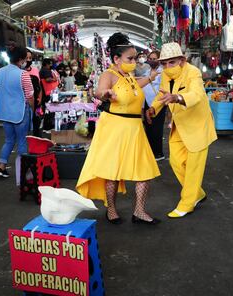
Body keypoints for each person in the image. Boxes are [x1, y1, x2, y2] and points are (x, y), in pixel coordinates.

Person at [76, 32, 160, 225]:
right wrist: (105, 93)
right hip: (115, 127)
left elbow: (134, 85)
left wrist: (150, 77)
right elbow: (99, 92)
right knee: (112, 172)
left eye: (135, 58)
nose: (134, 61)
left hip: (135, 128)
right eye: (130, 58)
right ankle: (111, 209)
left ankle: (139, 211)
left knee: (144, 170)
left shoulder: (128, 75)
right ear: (116, 58)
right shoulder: (109, 74)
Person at [146, 42, 217, 218]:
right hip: (179, 125)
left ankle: (187, 203)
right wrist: (154, 108)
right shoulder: (165, 75)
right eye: (164, 63)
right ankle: (197, 193)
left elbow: (197, 95)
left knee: (193, 168)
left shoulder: (193, 72)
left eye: (172, 62)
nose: (167, 67)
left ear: (182, 60)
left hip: (198, 126)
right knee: (175, 162)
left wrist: (177, 97)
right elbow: (161, 96)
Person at [0, 45, 34, 179]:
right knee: (22, 141)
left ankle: (1, 167)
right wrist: (33, 108)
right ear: (21, 59)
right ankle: (25, 172)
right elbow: (30, 96)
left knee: (8, 141)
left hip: (5, 113)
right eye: (25, 58)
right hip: (20, 112)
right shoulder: (23, 74)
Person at [142, 50, 166, 161]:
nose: (152, 61)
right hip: (147, 102)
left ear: (159, 59)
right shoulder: (147, 71)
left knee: (157, 128)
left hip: (158, 103)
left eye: (154, 59)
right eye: (150, 59)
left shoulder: (162, 72)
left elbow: (163, 88)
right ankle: (151, 151)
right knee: (149, 127)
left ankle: (158, 153)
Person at [25, 50, 43, 137]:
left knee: (36, 121)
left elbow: (39, 87)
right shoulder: (18, 72)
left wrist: (40, 98)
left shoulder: (35, 71)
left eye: (30, 58)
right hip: (23, 102)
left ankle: (36, 140)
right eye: (26, 58)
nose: (28, 60)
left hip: (35, 100)